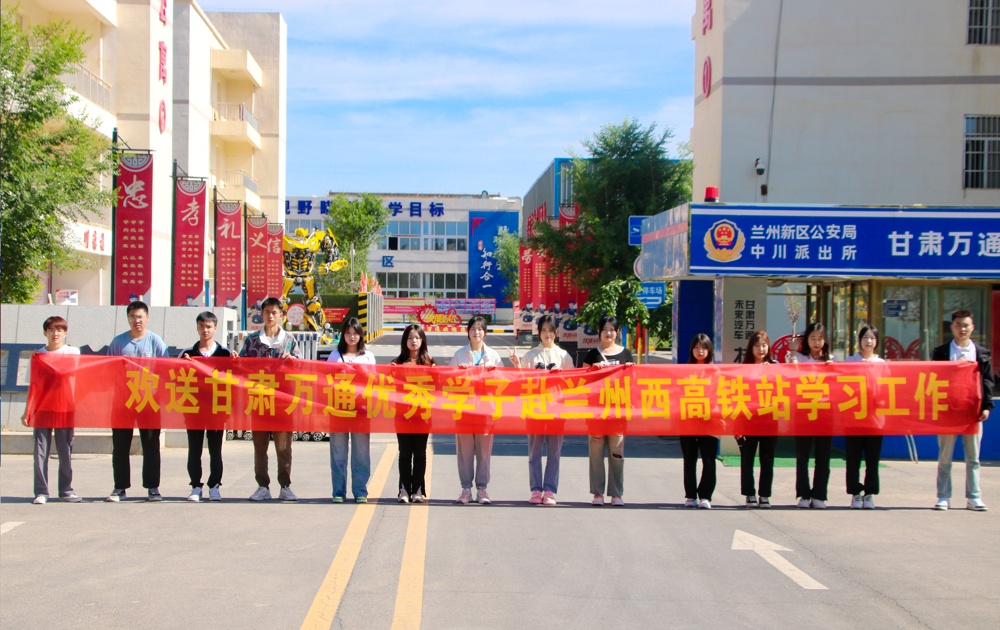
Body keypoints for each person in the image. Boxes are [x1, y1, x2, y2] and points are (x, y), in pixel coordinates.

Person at [239, 297, 302, 502]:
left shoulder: (289, 340)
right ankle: (262, 486)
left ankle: (285, 486)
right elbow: (241, 367)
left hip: (283, 403)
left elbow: (301, 368)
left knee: (284, 448)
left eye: (274, 312)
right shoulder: (252, 340)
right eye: (267, 312)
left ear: (281, 315)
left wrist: (293, 362)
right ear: (262, 314)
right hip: (259, 401)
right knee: (260, 447)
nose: (270, 316)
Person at [107, 301, 169, 502]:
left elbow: (165, 370)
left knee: (151, 445)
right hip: (123, 401)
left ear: (147, 318)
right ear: (128, 318)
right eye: (133, 316)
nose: (137, 320)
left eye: (140, 316)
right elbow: (109, 370)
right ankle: (120, 487)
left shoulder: (156, 341)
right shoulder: (118, 342)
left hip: (149, 401)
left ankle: (152, 487)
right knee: (120, 445)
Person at [509, 314, 574, 506]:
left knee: (554, 453)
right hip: (535, 410)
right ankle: (536, 489)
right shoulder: (531, 355)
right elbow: (521, 381)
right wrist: (516, 365)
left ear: (556, 332)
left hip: (556, 411)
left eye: (550, 330)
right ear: (538, 332)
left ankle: (550, 490)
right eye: (543, 330)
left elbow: (572, 383)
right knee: (534, 452)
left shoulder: (564, 356)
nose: (547, 334)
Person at [933, 309, 995, 511]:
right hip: (948, 411)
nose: (962, 329)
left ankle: (974, 497)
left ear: (972, 327)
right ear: (952, 327)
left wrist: (986, 406)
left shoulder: (981, 353)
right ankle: (943, 496)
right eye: (958, 325)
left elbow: (987, 382)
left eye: (966, 325)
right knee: (945, 457)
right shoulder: (941, 352)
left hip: (972, 411)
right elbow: (933, 380)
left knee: (973, 457)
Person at [21, 316, 82, 504]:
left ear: (65, 333)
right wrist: (27, 411)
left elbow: (79, 378)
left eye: (59, 330)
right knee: (40, 451)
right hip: (42, 408)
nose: (55, 334)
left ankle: (66, 490)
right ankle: (41, 491)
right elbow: (33, 386)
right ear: (45, 333)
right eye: (51, 330)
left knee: (65, 450)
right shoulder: (38, 356)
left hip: (65, 407)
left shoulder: (73, 352)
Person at [179, 311, 236, 502]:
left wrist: (236, 362)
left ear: (215, 328)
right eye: (202, 326)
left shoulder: (225, 353)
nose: (205, 330)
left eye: (209, 326)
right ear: (197, 327)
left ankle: (215, 487)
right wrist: (183, 365)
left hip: (217, 409)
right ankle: (196, 486)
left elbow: (235, 379)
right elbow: (174, 378)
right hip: (193, 408)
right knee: (194, 449)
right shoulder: (187, 353)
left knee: (215, 449)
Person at [450, 315, 503, 505]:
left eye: (480, 329)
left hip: (486, 411)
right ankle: (465, 489)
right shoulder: (459, 355)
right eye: (473, 329)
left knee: (484, 452)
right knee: (464, 451)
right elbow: (448, 382)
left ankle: (482, 489)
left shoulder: (494, 356)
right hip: (464, 411)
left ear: (485, 332)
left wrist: (493, 372)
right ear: (468, 332)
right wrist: (459, 372)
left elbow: (503, 382)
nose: (476, 332)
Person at [583, 316, 633, 507]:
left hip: (617, 413)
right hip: (596, 412)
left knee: (617, 454)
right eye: (605, 329)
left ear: (617, 332)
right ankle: (597, 494)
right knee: (596, 454)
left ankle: (616, 493)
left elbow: (633, 382)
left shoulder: (625, 354)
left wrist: (630, 370)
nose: (608, 333)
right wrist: (592, 371)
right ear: (599, 332)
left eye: (612, 329)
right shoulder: (592, 354)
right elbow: (582, 382)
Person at [327, 317, 376, 504]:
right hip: (338, 409)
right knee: (338, 452)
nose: (352, 337)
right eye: (348, 333)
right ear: (343, 335)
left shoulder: (368, 357)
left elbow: (374, 383)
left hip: (361, 411)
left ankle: (360, 491)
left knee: (361, 453)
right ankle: (338, 491)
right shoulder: (334, 355)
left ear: (360, 335)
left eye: (355, 333)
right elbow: (326, 381)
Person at [789, 322, 834, 509]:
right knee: (802, 455)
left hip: (824, 412)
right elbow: (792, 372)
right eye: (813, 338)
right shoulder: (799, 357)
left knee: (823, 456)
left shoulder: (830, 359)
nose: (816, 342)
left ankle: (819, 495)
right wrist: (792, 350)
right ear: (806, 340)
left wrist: (831, 368)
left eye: (820, 338)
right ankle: (804, 494)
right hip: (804, 411)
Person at [392, 324, 436, 504]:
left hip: (423, 415)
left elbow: (439, 387)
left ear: (423, 340)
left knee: (420, 453)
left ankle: (418, 489)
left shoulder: (430, 363)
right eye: (410, 338)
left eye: (417, 337)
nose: (414, 341)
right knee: (404, 453)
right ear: (405, 341)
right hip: (402, 415)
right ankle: (404, 489)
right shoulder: (397, 363)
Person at [844, 325, 885, 510]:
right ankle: (855, 494)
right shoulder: (850, 361)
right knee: (853, 459)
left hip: (875, 419)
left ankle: (869, 494)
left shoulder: (882, 364)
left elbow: (887, 390)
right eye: (865, 337)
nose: (869, 341)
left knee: (872, 459)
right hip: (853, 418)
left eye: (872, 338)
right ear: (859, 340)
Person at [677, 334, 719, 509]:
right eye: (696, 348)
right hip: (688, 421)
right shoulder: (684, 371)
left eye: (703, 348)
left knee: (709, 460)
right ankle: (690, 495)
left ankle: (705, 496)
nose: (700, 351)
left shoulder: (716, 372)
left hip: (710, 421)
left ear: (709, 350)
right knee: (689, 459)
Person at [738, 330, 778, 509]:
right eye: (757, 345)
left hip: (769, 418)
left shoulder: (775, 366)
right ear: (751, 347)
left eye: (764, 345)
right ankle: (749, 494)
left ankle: (765, 495)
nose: (761, 349)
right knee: (747, 458)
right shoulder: (743, 367)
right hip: (748, 418)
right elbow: (735, 395)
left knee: (767, 458)